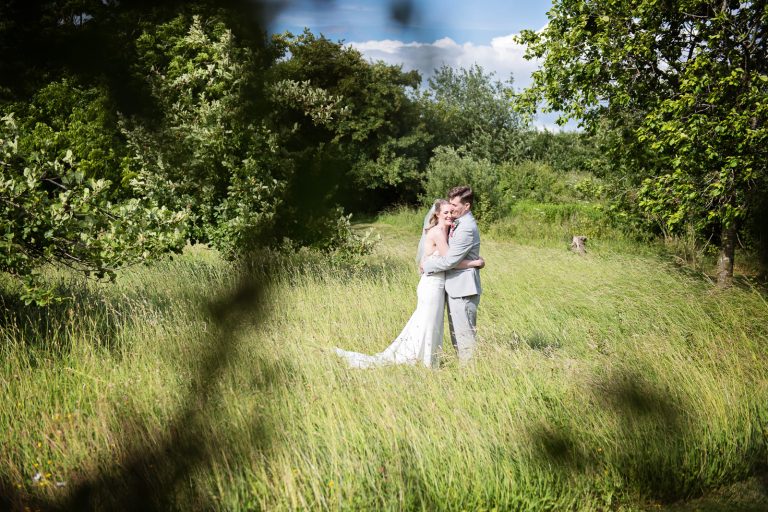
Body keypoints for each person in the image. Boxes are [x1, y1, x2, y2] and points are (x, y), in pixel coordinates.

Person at [335, 199, 484, 369]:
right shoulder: (437, 232)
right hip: (432, 284)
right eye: (446, 212)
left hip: (438, 283)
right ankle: (425, 361)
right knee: (428, 322)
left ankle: (426, 358)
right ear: (437, 214)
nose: (450, 215)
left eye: (451, 211)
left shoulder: (447, 230)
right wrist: (475, 263)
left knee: (431, 322)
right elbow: (451, 262)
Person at [421, 186, 481, 365]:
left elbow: (450, 261)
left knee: (464, 337)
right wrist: (474, 262)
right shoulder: (456, 223)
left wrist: (427, 265)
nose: (451, 209)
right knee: (457, 335)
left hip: (463, 288)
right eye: (450, 205)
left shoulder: (466, 228)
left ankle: (470, 372)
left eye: (455, 205)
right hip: (453, 286)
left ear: (467, 206)